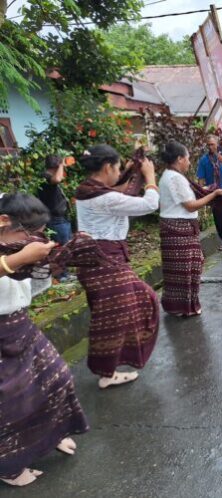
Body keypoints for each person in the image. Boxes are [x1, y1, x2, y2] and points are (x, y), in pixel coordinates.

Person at [0, 193, 88, 487]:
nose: (33, 239)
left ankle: (48, 437)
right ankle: (8, 467)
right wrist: (18, 259)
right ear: (3, 221)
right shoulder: (15, 251)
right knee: (11, 404)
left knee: (57, 378)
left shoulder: (19, 245)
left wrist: (50, 262)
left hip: (20, 325)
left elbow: (34, 287)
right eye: (28, 232)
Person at [75, 144, 160, 388]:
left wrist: (131, 171)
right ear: (107, 167)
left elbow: (119, 190)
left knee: (114, 314)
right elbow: (149, 204)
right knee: (117, 314)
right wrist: (150, 177)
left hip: (96, 260)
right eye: (118, 167)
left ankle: (110, 367)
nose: (120, 171)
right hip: (105, 260)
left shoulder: (88, 190)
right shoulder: (103, 198)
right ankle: (107, 372)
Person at [158, 140, 222, 317]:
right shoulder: (174, 178)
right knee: (187, 269)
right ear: (180, 159)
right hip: (179, 228)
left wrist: (207, 189)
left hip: (179, 227)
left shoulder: (172, 176)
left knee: (186, 268)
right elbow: (190, 205)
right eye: (188, 158)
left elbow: (187, 197)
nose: (190, 162)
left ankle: (182, 306)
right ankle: (183, 307)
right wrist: (213, 194)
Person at [37, 155, 73, 279]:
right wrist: (62, 164)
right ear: (56, 166)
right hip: (55, 220)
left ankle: (65, 274)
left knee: (64, 247)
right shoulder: (45, 176)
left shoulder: (48, 177)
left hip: (61, 218)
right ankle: (61, 276)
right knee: (59, 249)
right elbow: (58, 179)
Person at [197, 134, 222, 251]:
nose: (210, 147)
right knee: (218, 219)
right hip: (214, 193)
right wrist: (202, 192)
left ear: (217, 144)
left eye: (212, 144)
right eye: (208, 145)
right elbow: (201, 179)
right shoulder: (204, 160)